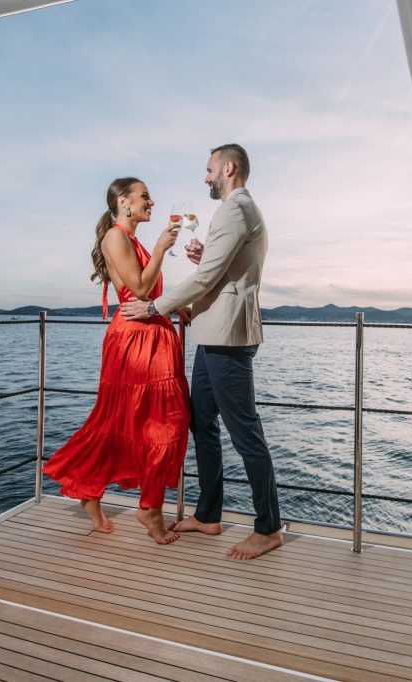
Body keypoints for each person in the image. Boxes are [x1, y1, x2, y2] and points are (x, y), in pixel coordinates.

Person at [120, 144, 282, 560]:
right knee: (201, 423)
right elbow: (220, 269)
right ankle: (209, 515)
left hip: (227, 337)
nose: (205, 177)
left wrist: (155, 306)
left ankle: (268, 528)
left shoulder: (235, 208)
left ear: (228, 168)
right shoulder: (236, 210)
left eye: (209, 170)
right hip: (213, 335)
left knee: (245, 433)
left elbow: (211, 276)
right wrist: (202, 256)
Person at [44, 177, 190, 544]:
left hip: (152, 333)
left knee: (135, 423)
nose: (151, 202)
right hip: (135, 342)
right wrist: (159, 249)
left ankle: (90, 491)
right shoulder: (116, 237)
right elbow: (139, 289)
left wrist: (176, 307)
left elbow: (149, 293)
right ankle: (150, 509)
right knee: (162, 424)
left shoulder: (132, 239)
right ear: (123, 202)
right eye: (145, 196)